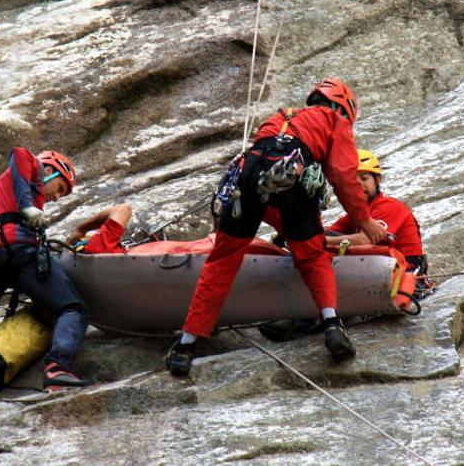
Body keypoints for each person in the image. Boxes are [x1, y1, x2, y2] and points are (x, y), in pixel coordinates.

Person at [166, 78, 388, 376]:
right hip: (295, 175)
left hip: (249, 174)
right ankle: (333, 325)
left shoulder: (280, 117)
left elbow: (265, 189)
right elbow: (342, 174)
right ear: (343, 107)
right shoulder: (335, 121)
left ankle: (187, 343)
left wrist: (283, 229)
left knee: (223, 260)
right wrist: (365, 221)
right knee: (312, 257)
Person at [0, 147, 91, 409]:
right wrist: (26, 206)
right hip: (18, 255)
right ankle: (58, 369)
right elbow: (19, 153)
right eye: (59, 188)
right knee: (72, 308)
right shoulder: (32, 171)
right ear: (47, 171)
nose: (56, 197)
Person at [258, 149, 434, 342]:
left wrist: (314, 242)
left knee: (326, 249)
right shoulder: (355, 216)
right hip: (378, 277)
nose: (359, 184)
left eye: (364, 178)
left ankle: (311, 317)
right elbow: (323, 233)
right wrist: (294, 234)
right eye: (354, 180)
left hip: (405, 279)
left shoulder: (389, 206)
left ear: (378, 181)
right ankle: (309, 312)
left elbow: (365, 240)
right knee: (316, 244)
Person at [65, 203, 133, 254]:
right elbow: (123, 209)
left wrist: (80, 230)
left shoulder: (101, 247)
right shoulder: (103, 247)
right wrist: (80, 230)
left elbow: (123, 209)